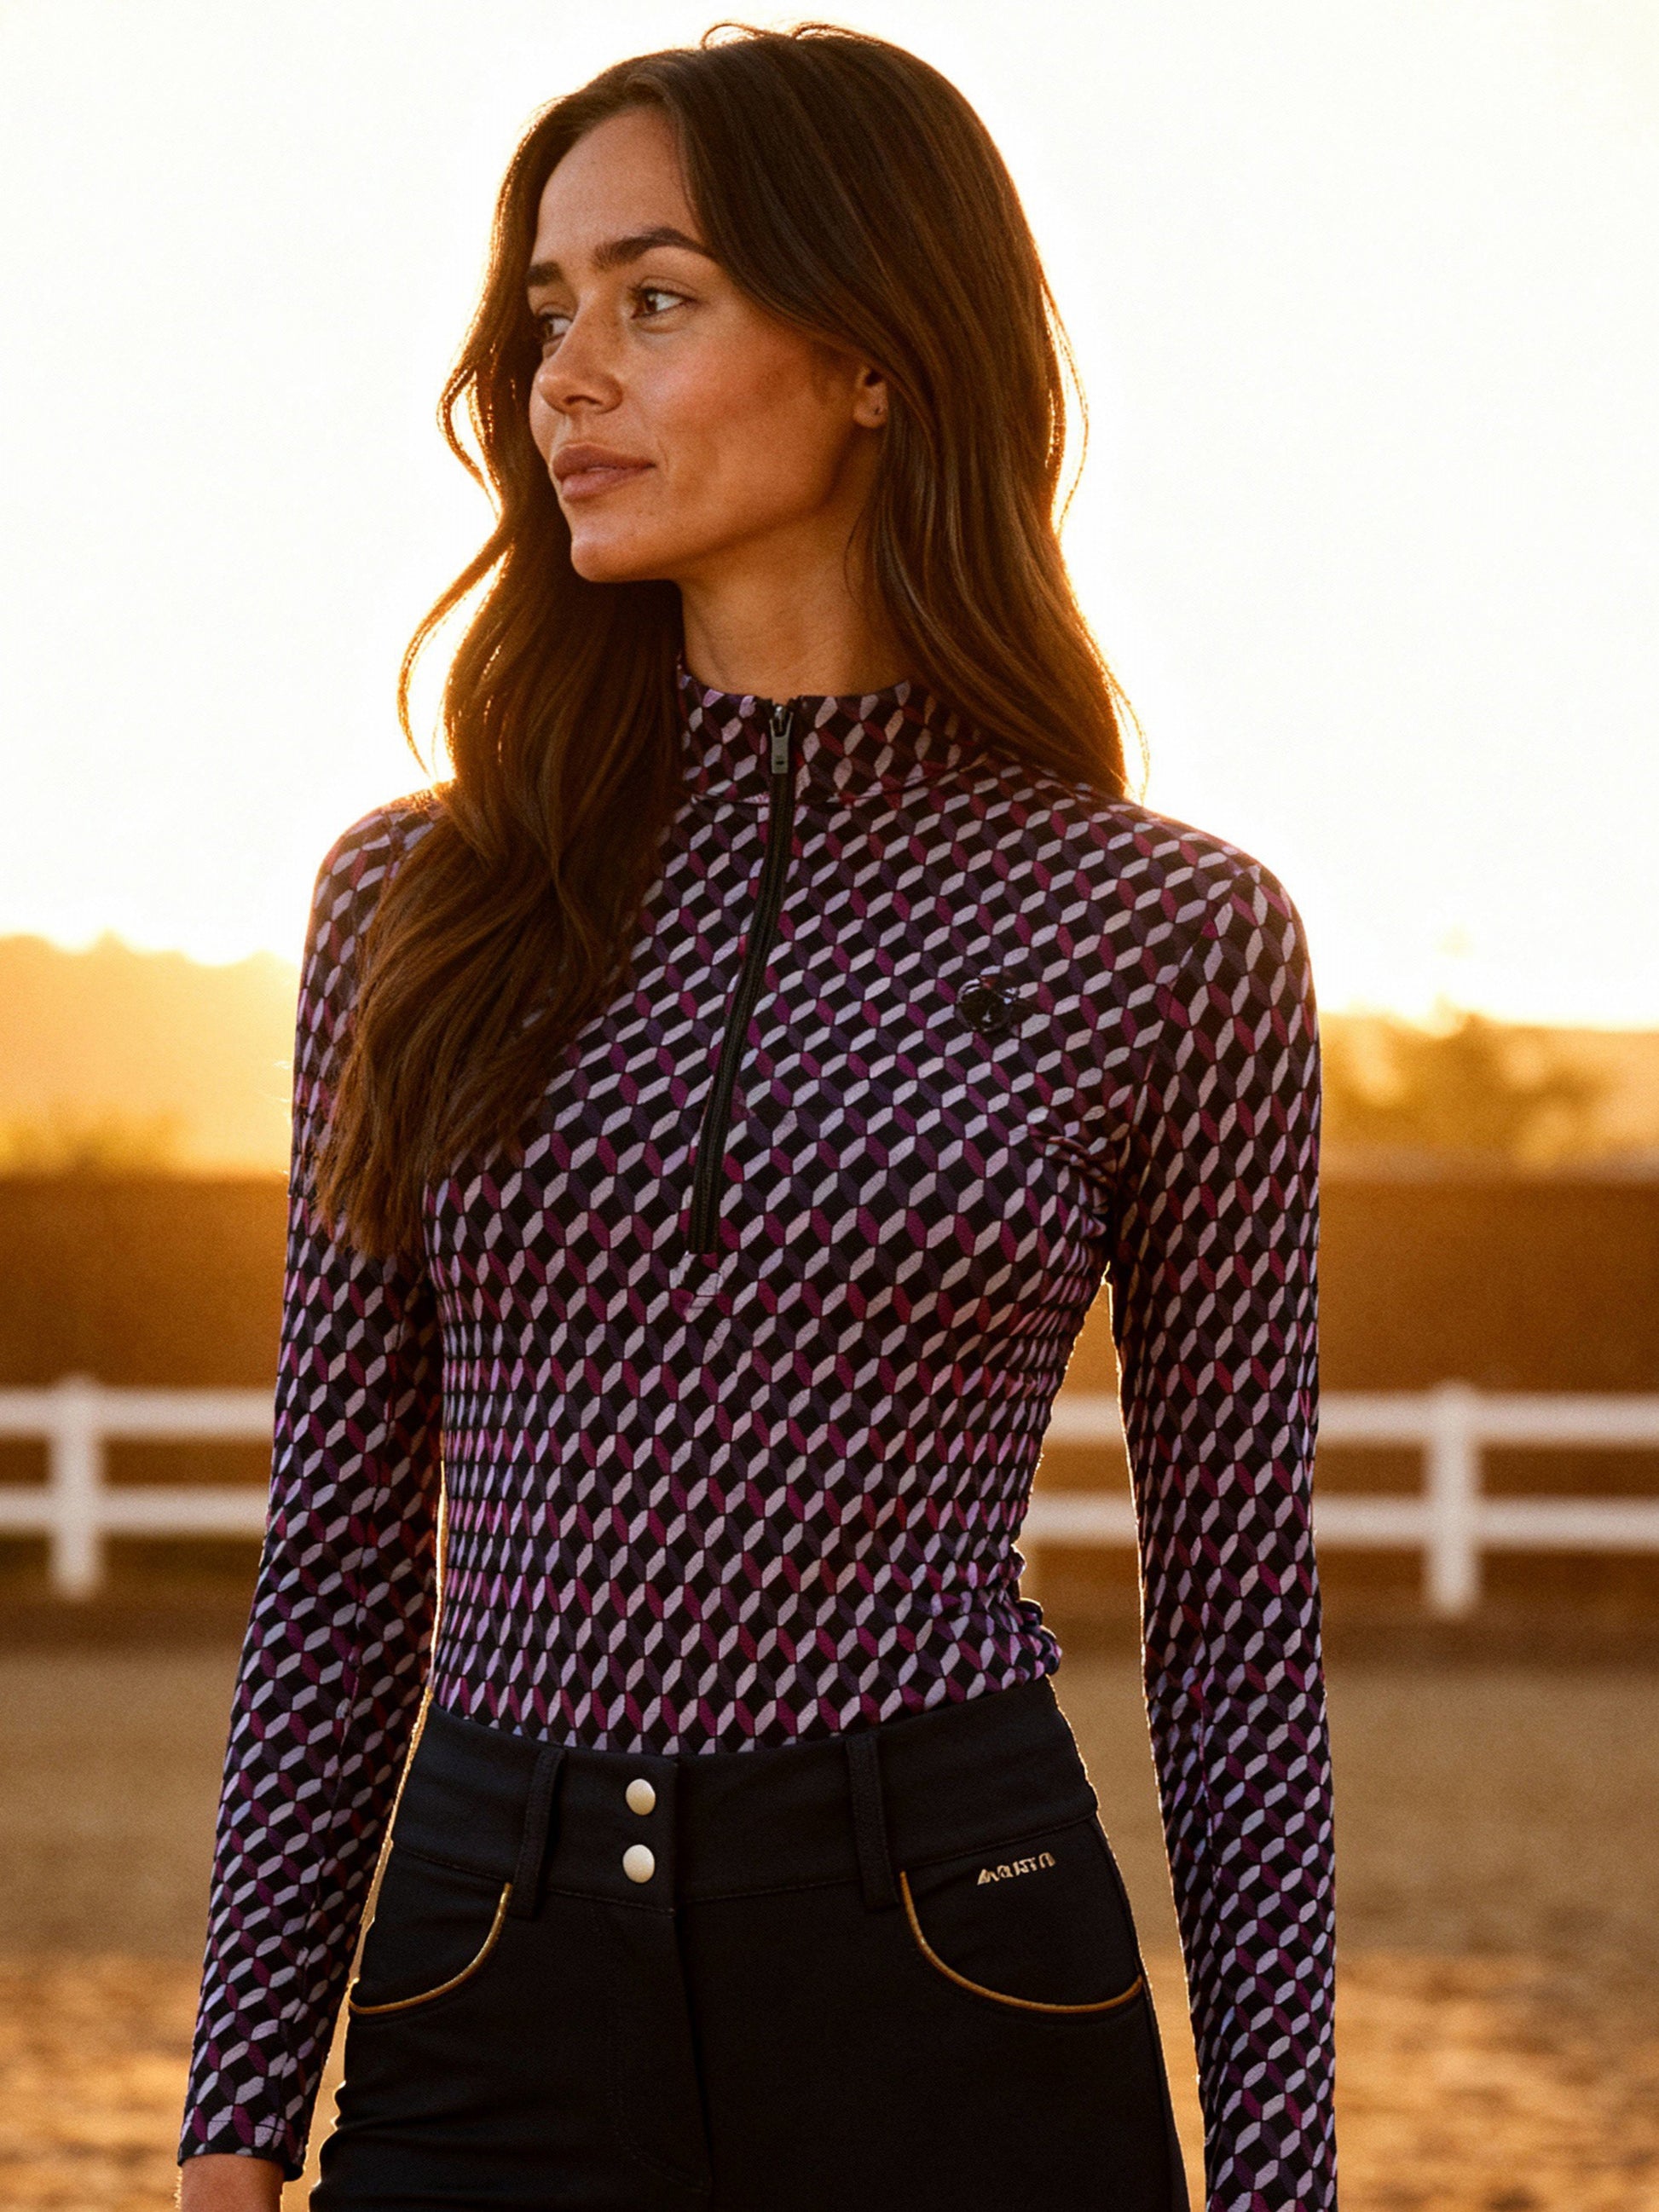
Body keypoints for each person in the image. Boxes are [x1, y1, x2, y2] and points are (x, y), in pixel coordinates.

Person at [176, 25, 1334, 2212]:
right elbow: (335, 1551)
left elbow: (1240, 1623)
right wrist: (236, 2112)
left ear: (880, 354)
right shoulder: (412, 903)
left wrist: (1283, 2182)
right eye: (546, 314)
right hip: (482, 1973)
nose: (563, 380)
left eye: (655, 297)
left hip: (950, 1963)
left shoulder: (1166, 932)